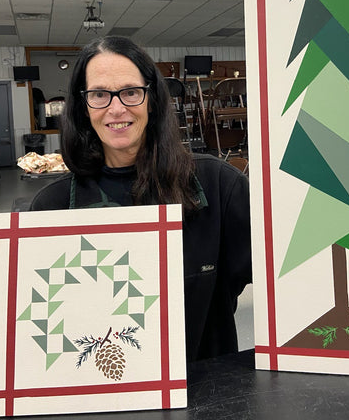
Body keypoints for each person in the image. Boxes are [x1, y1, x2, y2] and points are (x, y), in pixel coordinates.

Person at [30, 36, 251, 362]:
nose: (116, 108)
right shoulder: (52, 206)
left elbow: (285, 276)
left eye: (131, 92)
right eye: (99, 94)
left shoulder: (217, 185)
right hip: (100, 396)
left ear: (152, 99)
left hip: (207, 391)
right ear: (82, 105)